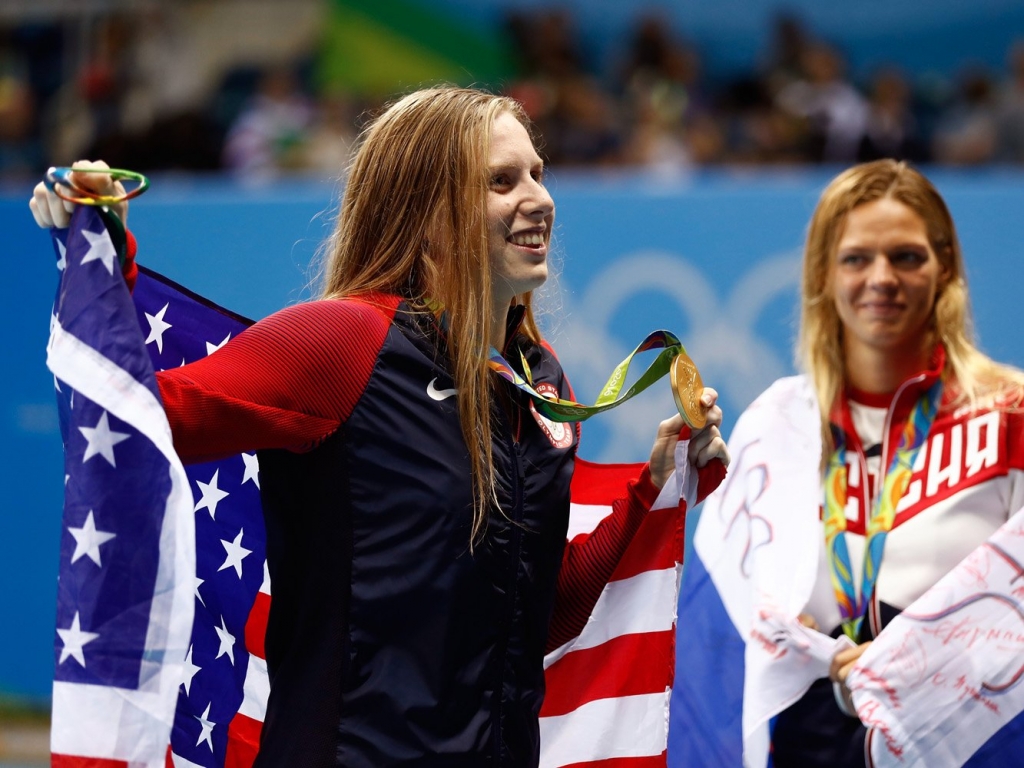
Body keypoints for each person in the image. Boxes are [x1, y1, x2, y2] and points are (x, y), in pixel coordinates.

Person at [30, 87, 729, 767]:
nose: (539, 199)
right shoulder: (341, 342)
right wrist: (101, 250)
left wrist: (652, 485)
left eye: (538, 175)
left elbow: (535, 619)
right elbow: (137, 418)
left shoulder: (539, 386)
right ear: (426, 211)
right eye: (501, 181)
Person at [712, 159, 1024, 766]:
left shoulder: (1011, 413)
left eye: (906, 257)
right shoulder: (780, 422)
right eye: (857, 258)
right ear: (824, 275)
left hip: (967, 743)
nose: (882, 278)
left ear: (946, 268)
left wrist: (921, 666)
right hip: (808, 743)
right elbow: (732, 619)